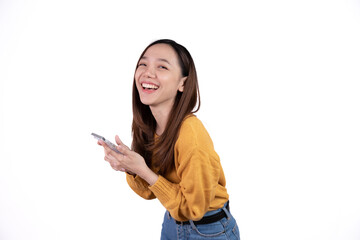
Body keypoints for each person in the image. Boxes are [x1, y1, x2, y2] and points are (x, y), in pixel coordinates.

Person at [97, 39, 240, 240]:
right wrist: (131, 167)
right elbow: (149, 192)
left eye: (162, 66)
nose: (148, 72)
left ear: (183, 83)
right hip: (173, 221)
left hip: (208, 230)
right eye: (143, 64)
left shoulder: (192, 135)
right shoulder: (149, 125)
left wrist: (142, 170)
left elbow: (194, 209)